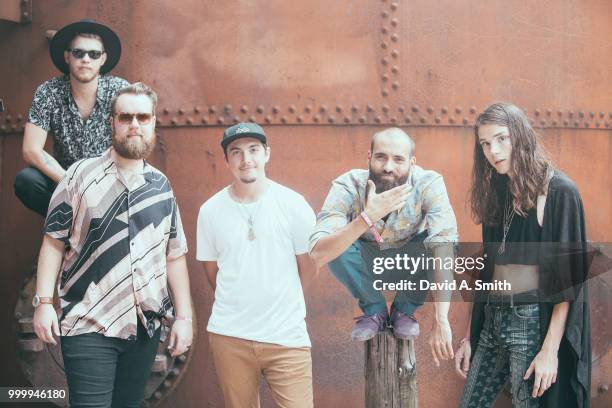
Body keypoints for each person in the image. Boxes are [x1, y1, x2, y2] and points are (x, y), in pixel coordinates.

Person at [32, 83, 193, 407]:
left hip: (144, 329)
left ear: (152, 123)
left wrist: (184, 318)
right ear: (113, 122)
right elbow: (53, 243)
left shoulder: (161, 185)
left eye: (143, 117)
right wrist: (44, 302)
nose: (135, 124)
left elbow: (174, 256)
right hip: (89, 323)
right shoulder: (79, 176)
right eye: (126, 116)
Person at [454, 102, 591, 407]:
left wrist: (550, 351)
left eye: (502, 138)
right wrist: (469, 336)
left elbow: (567, 285)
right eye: (486, 144)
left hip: (528, 324)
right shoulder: (498, 191)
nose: (494, 151)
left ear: (520, 136)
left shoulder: (559, 192)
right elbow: (486, 273)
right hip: (491, 322)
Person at [309, 127, 458, 366]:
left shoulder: (429, 183)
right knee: (336, 243)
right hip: (365, 263)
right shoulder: (348, 184)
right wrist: (367, 217)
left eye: (398, 159)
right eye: (381, 157)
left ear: (412, 162)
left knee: (444, 244)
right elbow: (318, 253)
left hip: (410, 262)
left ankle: (404, 310)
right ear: (369, 157)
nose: (388, 166)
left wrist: (441, 319)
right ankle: (375, 309)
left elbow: (444, 250)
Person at [197, 122, 317, 408]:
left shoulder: (293, 204)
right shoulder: (210, 211)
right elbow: (212, 272)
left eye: (253, 150)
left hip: (286, 336)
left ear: (267, 154)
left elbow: (309, 267)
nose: (246, 159)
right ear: (226, 160)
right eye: (236, 152)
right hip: (230, 337)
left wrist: (278, 298)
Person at [14, 19, 129, 216]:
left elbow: (132, 145)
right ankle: (68, 228)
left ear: (102, 59)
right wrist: (73, 183)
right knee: (27, 181)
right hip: (64, 180)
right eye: (78, 53)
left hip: (109, 180)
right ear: (67, 56)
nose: (86, 59)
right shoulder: (48, 92)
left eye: (93, 54)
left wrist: (98, 185)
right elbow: (31, 150)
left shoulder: (120, 91)